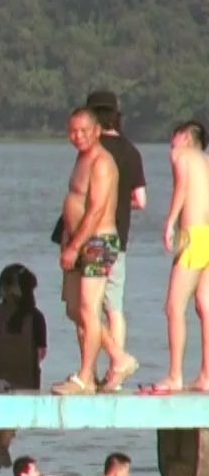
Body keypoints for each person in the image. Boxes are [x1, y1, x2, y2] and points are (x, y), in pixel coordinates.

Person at [56, 107, 137, 393]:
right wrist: (68, 241)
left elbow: (96, 210)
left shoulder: (102, 163)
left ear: (97, 131)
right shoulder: (82, 158)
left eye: (83, 131)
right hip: (78, 241)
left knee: (90, 310)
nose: (77, 137)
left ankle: (86, 376)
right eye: (72, 131)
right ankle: (118, 357)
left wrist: (75, 245)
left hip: (98, 242)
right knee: (76, 310)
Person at [87, 90, 148, 385]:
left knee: (87, 307)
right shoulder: (131, 151)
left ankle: (93, 369)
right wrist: (122, 202)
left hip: (94, 236)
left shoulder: (93, 150)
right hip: (119, 237)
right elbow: (142, 200)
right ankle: (117, 375)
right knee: (114, 307)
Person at [153, 120, 209, 394]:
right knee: (205, 305)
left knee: (174, 306)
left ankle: (175, 374)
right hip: (208, 235)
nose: (170, 144)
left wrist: (170, 222)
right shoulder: (206, 161)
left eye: (174, 136)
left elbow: (182, 187)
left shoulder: (182, 154)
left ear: (186, 137)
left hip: (194, 235)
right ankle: (206, 375)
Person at [0, 264, 47, 469]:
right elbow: (41, 353)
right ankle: (2, 448)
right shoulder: (37, 316)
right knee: (14, 406)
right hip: (27, 379)